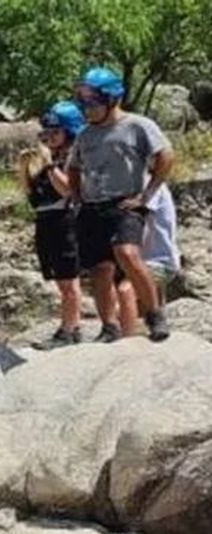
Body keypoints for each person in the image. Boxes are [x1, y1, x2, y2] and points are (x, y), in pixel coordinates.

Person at [68, 66, 175, 342]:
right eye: (82, 101)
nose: (86, 108)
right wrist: (77, 196)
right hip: (93, 207)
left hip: (125, 204)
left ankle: (154, 315)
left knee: (127, 253)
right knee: (100, 270)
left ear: (112, 99)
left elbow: (166, 157)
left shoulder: (138, 126)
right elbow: (74, 167)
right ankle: (109, 326)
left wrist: (147, 195)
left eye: (92, 101)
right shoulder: (85, 135)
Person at [23, 102, 87, 349]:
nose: (49, 137)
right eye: (47, 133)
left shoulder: (73, 158)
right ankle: (74, 325)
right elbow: (32, 194)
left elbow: (68, 191)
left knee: (69, 279)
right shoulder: (53, 158)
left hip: (65, 221)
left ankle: (68, 330)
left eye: (56, 132)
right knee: (60, 279)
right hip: (46, 220)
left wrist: (49, 164)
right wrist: (26, 166)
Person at [115, 184, 181, 335]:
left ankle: (126, 342)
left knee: (126, 290)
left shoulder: (150, 187)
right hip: (145, 261)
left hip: (159, 261)